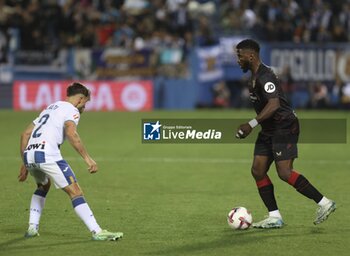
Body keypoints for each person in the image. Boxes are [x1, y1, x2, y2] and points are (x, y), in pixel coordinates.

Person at [234, 39, 336, 228]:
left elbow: (274, 104)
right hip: (269, 129)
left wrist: (251, 124)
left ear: (251, 56)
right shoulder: (254, 78)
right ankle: (274, 217)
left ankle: (325, 203)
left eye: (239, 56)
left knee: (284, 172)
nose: (238, 60)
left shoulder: (265, 76)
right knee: (257, 170)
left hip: (284, 127)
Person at [18, 82, 123, 240]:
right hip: (48, 154)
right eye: (86, 103)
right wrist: (88, 159)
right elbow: (72, 134)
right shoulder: (72, 110)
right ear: (80, 99)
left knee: (43, 185)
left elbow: (25, 134)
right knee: (75, 191)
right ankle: (97, 231)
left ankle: (32, 227)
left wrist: (25, 162)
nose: (84, 108)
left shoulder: (50, 107)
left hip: (30, 154)